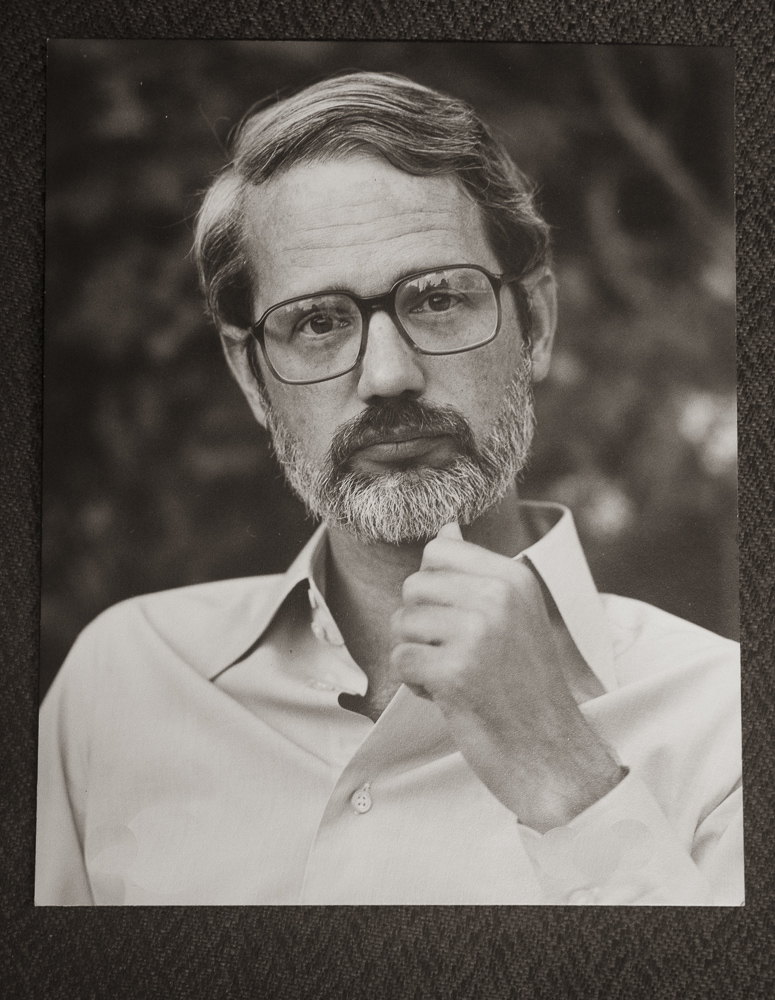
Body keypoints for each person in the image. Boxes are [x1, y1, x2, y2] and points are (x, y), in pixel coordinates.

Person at [35, 71, 743, 906]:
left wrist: (566, 777)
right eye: (317, 322)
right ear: (252, 376)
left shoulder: (723, 721)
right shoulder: (121, 683)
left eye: (437, 299)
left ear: (537, 324)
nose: (387, 375)